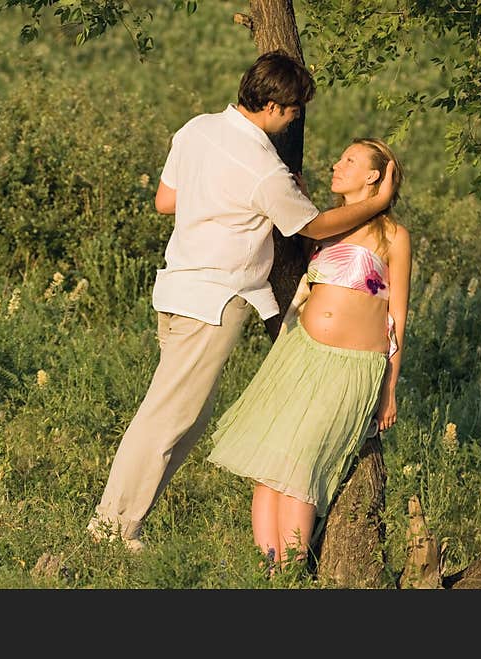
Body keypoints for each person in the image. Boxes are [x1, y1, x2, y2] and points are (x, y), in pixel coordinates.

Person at [86, 50, 397, 552]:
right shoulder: (263, 167)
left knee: (185, 417)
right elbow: (312, 226)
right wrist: (376, 204)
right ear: (274, 106)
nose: (295, 118)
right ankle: (112, 526)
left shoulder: (197, 129)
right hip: (216, 298)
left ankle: (128, 520)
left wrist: (217, 198)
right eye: (294, 109)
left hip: (177, 288)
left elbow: (167, 200)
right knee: (168, 416)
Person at [206, 137, 410, 572]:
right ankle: (268, 571)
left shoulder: (393, 236)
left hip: (350, 367)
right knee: (269, 467)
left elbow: (398, 318)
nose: (338, 164)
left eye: (350, 160)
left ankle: (293, 569)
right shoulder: (326, 224)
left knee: (301, 471)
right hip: (300, 354)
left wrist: (389, 388)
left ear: (374, 176)